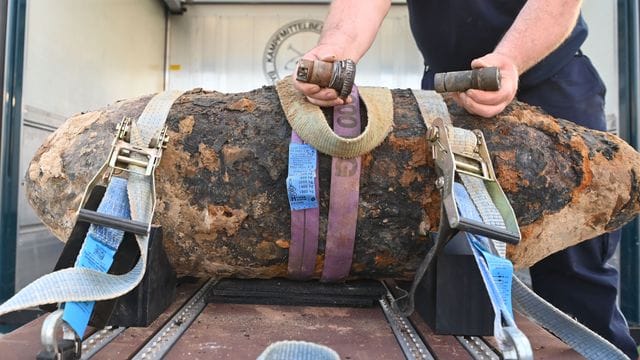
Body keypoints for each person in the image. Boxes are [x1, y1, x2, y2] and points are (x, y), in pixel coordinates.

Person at [293, 0, 639, 358]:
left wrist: (511, 59)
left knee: (574, 267)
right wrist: (337, 49)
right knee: (451, 268)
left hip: (550, 83)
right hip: (450, 91)